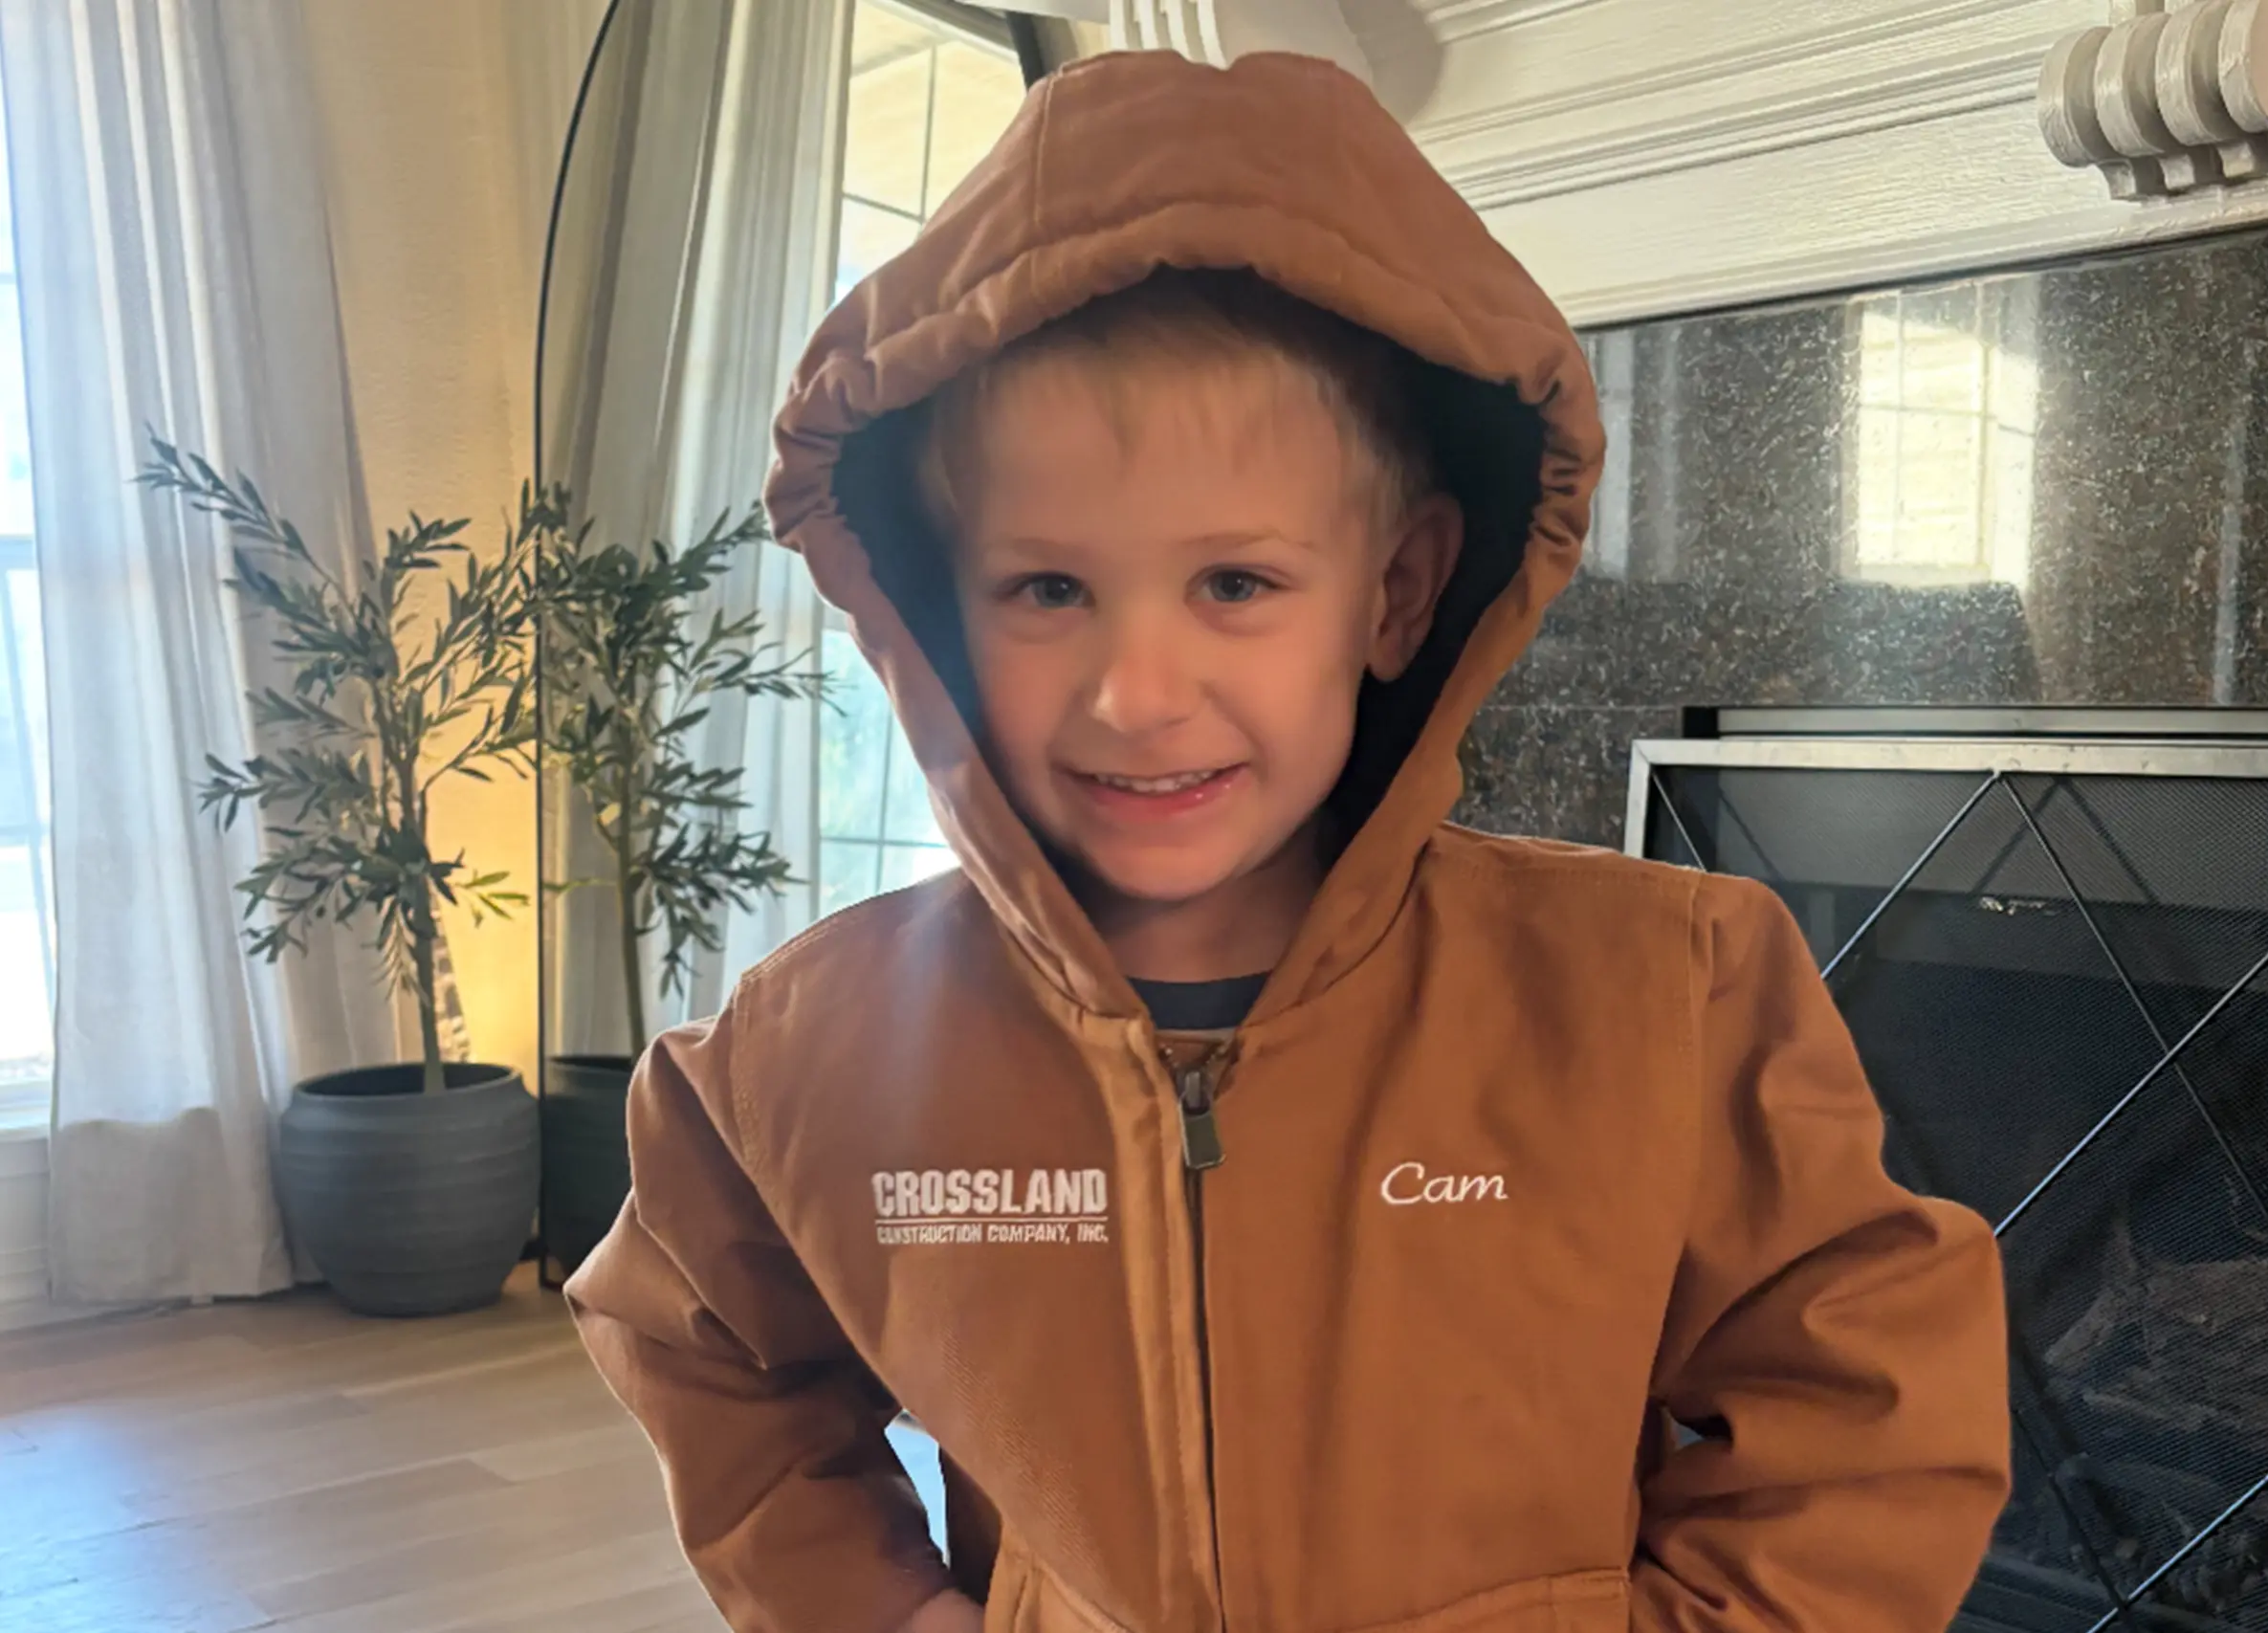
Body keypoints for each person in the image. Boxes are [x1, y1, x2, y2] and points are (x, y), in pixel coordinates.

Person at [567, 47, 2012, 1633]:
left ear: (1393, 594)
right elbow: (702, 1342)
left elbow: (1868, 1402)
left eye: (1235, 585)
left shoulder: (1665, 987)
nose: (1136, 693)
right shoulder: (807, 1053)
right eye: (1048, 589)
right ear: (939, 611)